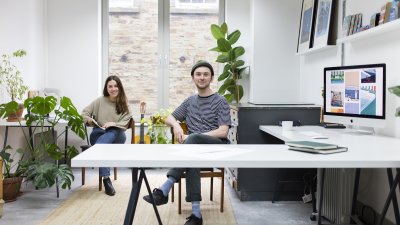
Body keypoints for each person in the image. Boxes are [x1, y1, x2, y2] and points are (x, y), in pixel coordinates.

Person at [143, 60, 231, 225]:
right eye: (198, 74)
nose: (202, 77)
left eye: (206, 74)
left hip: (217, 147)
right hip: (194, 151)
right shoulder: (190, 101)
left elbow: (223, 131)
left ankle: (165, 187)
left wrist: (194, 137)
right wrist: (176, 125)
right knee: (191, 160)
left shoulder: (220, 101)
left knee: (193, 139)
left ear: (211, 78)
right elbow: (169, 117)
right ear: (193, 78)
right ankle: (196, 215)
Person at [81, 75, 132, 196]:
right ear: (106, 88)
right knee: (104, 146)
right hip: (99, 134)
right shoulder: (100, 101)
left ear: (119, 87)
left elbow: (126, 121)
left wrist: (113, 124)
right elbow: (83, 113)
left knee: (114, 131)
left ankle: (98, 149)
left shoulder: (125, 103)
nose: (113, 89)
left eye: (115, 86)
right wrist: (89, 120)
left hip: (117, 136)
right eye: (110, 86)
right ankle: (106, 179)